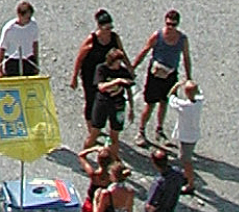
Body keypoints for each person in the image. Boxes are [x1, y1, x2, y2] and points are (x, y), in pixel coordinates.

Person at [130, 9, 192, 148]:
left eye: (173, 25)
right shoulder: (157, 36)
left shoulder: (182, 39)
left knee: (164, 102)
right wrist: (132, 68)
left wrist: (189, 77)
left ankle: (159, 129)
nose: (170, 27)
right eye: (168, 24)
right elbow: (145, 51)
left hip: (170, 75)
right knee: (150, 104)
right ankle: (141, 131)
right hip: (155, 75)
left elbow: (186, 58)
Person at [73, 9, 124, 151]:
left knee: (104, 99)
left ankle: (97, 127)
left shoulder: (114, 38)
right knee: (91, 101)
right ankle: (92, 130)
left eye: (110, 28)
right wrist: (74, 77)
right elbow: (80, 58)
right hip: (90, 75)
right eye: (106, 28)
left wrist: (130, 69)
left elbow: (121, 53)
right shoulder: (92, 40)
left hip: (106, 74)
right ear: (99, 27)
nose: (109, 31)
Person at [93, 48, 136, 161]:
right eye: (117, 62)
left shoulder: (123, 71)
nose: (119, 65)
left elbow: (129, 90)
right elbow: (101, 87)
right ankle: (85, 156)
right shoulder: (101, 69)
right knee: (95, 131)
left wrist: (131, 108)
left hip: (118, 104)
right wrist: (117, 81)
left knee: (115, 135)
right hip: (103, 103)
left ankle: (114, 159)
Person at [169, 80, 204, 195]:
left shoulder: (184, 106)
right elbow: (199, 93)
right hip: (193, 135)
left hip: (186, 136)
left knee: (186, 160)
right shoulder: (199, 102)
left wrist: (176, 85)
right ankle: (186, 176)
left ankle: (190, 184)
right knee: (184, 156)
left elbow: (171, 97)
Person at [0, 0, 39, 77]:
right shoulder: (9, 29)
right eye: (27, 17)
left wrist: (36, 63)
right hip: (12, 62)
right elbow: (2, 48)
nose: (29, 20)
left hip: (28, 60)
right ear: (19, 15)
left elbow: (35, 44)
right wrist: (0, 68)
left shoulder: (33, 25)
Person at [78, 146, 116, 212]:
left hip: (90, 204)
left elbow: (81, 155)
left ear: (98, 160)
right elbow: (121, 166)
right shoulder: (112, 177)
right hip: (104, 207)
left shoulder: (94, 175)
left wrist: (94, 148)